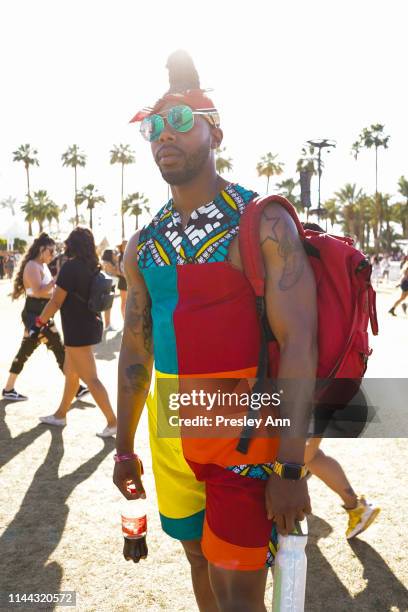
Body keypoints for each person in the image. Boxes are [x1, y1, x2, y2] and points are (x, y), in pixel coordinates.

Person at [113, 51, 315, 611]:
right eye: (154, 126)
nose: (163, 135)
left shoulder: (262, 222)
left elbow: (300, 342)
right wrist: (125, 448)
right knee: (198, 560)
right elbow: (136, 351)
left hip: (243, 436)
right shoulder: (143, 244)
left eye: (181, 121)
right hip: (171, 436)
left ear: (215, 134)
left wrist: (291, 466)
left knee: (239, 587)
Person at [301, 223, 380, 538]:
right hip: (335, 378)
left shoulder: (305, 280)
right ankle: (354, 506)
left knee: (303, 455)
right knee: (309, 455)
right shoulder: (336, 284)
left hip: (314, 383)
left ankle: (356, 506)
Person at [36, 227, 117, 438]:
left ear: (73, 245)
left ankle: (113, 421)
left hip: (77, 329)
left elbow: (56, 301)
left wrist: (40, 320)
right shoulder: (93, 266)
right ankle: (60, 414)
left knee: (91, 378)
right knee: (71, 372)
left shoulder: (71, 268)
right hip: (88, 324)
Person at [2, 233, 88, 402]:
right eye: (51, 251)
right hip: (35, 314)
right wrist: (56, 280)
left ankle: (8, 388)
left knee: (26, 350)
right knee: (58, 347)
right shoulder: (32, 266)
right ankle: (76, 388)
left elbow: (48, 292)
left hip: (41, 313)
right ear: (42, 249)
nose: (53, 255)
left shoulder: (42, 265)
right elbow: (40, 291)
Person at [101, 248, 117, 331]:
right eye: (113, 253)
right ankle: (107, 325)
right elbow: (115, 272)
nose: (114, 254)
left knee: (107, 306)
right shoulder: (109, 263)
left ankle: (107, 324)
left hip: (107, 284)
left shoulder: (104, 262)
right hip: (110, 285)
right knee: (108, 306)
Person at [116, 240, 128, 320]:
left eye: (126, 244)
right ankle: (124, 320)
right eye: (124, 245)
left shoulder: (129, 255)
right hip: (123, 281)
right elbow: (117, 270)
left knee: (129, 302)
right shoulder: (119, 256)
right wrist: (124, 275)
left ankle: (128, 319)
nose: (125, 246)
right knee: (123, 301)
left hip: (130, 281)